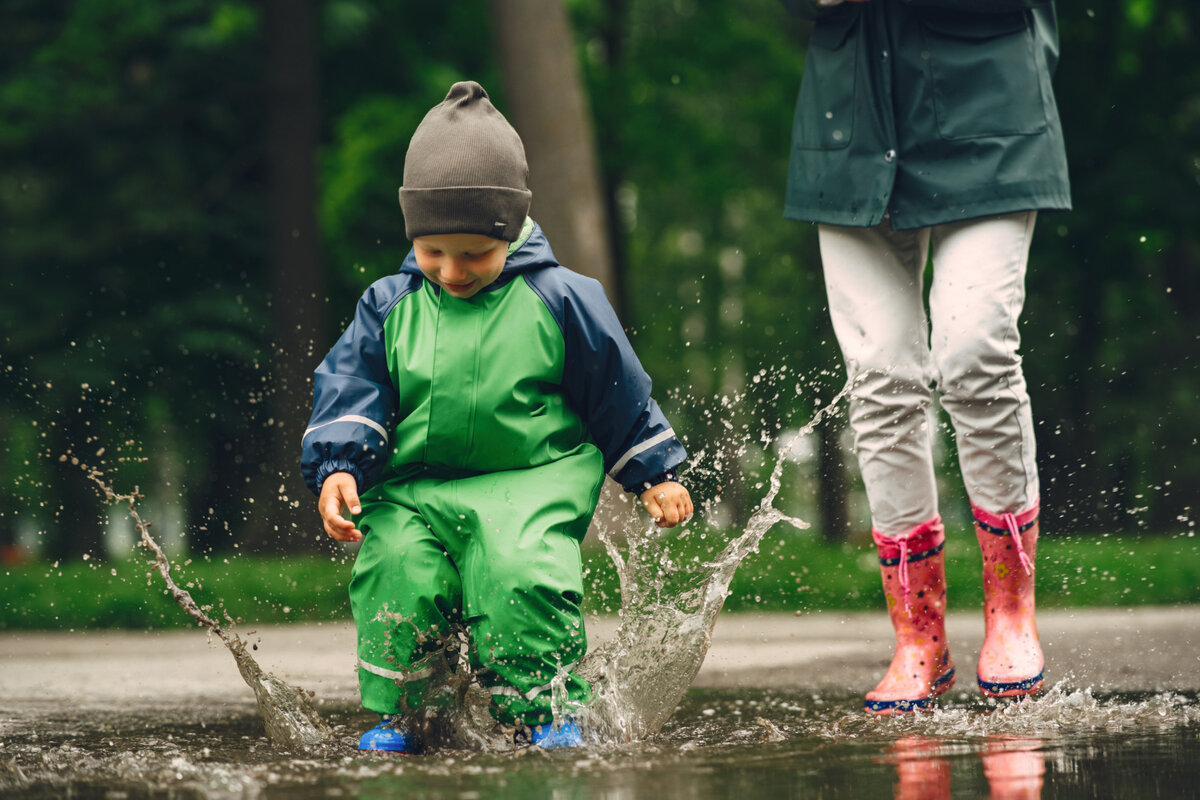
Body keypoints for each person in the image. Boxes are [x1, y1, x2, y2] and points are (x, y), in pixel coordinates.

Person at [301, 81, 693, 751]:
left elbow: (617, 390)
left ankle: (543, 712)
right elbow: (352, 384)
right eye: (433, 251)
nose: (452, 271)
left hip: (530, 480)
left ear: (510, 231)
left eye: (474, 252)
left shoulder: (563, 299)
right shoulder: (390, 305)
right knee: (396, 569)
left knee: (521, 575)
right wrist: (338, 465)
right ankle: (413, 714)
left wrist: (654, 471)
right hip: (415, 490)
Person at [778, 0, 1071, 712]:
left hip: (989, 105)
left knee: (975, 351)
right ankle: (920, 636)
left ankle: (1010, 612)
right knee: (880, 376)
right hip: (850, 117)